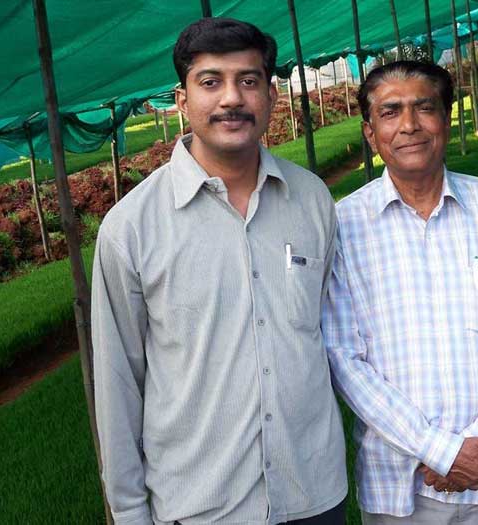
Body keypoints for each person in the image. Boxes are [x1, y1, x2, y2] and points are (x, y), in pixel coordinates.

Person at [92, 18, 347, 525]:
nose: (231, 98)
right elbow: (117, 382)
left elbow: (328, 329)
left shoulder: (312, 199)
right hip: (201, 506)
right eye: (210, 82)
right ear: (182, 100)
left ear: (271, 95)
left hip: (314, 493)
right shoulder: (131, 227)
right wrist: (128, 511)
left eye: (248, 80)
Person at [322, 60, 478, 524]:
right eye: (390, 112)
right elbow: (343, 358)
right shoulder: (343, 226)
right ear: (370, 132)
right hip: (399, 483)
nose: (409, 125)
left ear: (446, 119)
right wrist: (441, 450)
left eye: (424, 108)